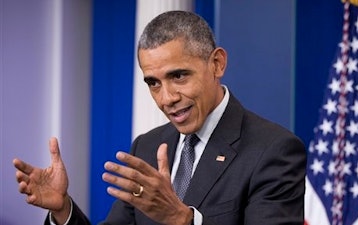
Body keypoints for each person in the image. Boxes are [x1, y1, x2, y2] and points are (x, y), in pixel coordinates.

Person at [13, 10, 306, 225]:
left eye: (178, 76)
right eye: (153, 82)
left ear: (216, 64)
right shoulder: (148, 146)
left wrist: (185, 220)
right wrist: (63, 209)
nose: (166, 98)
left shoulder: (274, 150)